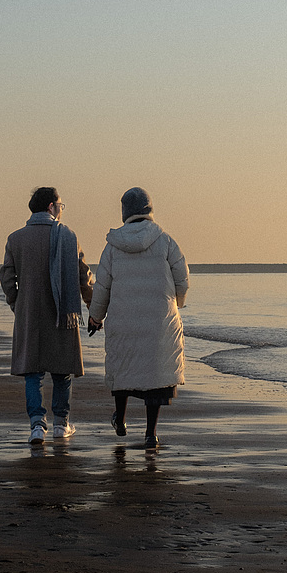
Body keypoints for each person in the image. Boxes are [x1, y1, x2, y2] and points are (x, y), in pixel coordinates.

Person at [87, 187, 188, 447]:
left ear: (125, 213)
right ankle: (150, 433)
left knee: (124, 370)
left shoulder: (112, 247)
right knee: (154, 378)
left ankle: (120, 419)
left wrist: (96, 317)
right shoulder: (165, 241)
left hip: (123, 320)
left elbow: (102, 286)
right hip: (158, 322)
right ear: (149, 209)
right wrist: (176, 303)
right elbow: (183, 279)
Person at [0, 187, 93, 444]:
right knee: (62, 370)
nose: (62, 210)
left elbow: (6, 276)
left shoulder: (16, 238)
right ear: (51, 206)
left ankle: (37, 426)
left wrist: (16, 303)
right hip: (63, 312)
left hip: (29, 313)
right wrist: (92, 305)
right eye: (61, 205)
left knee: (33, 372)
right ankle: (61, 425)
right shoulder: (68, 237)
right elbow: (82, 275)